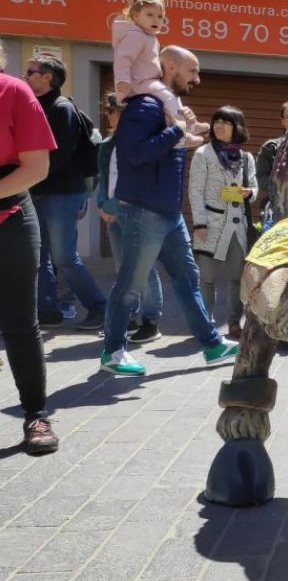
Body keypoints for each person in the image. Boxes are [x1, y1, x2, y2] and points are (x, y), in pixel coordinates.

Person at [100, 45, 239, 376]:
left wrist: (189, 134)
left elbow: (164, 150)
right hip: (144, 212)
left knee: (187, 279)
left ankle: (212, 345)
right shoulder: (145, 106)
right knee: (130, 285)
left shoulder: (167, 106)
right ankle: (113, 352)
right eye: (192, 71)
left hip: (168, 214)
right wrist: (177, 130)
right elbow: (134, 153)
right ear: (170, 67)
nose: (197, 79)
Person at [0, 45, 60, 453]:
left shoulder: (15, 92)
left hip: (10, 217)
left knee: (20, 322)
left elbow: (37, 167)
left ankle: (36, 415)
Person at [24, 56, 110, 331]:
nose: (25, 76)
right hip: (38, 190)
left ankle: (100, 307)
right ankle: (48, 310)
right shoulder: (36, 106)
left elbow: (59, 156)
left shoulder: (62, 109)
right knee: (39, 255)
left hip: (61, 193)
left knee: (64, 257)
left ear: (47, 77)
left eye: (31, 72)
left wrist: (28, 174)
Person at [96, 92, 164, 343]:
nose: (108, 116)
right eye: (107, 111)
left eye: (112, 111)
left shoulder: (143, 143)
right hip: (114, 214)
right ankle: (130, 316)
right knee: (123, 267)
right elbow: (104, 178)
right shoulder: (106, 145)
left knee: (144, 267)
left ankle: (151, 321)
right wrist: (102, 205)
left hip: (138, 212)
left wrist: (114, 205)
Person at [189, 106, 257, 338]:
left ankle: (234, 322)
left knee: (237, 278)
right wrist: (200, 223)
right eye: (216, 121)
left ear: (237, 127)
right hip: (210, 224)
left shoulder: (246, 157)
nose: (219, 126)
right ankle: (205, 323)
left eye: (225, 122)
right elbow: (195, 191)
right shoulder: (203, 154)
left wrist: (249, 192)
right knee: (207, 278)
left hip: (237, 227)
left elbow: (254, 187)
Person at [112, 0, 205, 149]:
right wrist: (122, 80)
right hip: (139, 82)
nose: (156, 20)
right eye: (149, 15)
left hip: (148, 81)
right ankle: (182, 136)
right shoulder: (135, 36)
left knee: (171, 96)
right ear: (135, 16)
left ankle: (189, 125)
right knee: (168, 96)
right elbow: (123, 59)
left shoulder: (150, 38)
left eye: (160, 16)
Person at [255, 100, 288, 209]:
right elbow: (259, 179)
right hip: (277, 207)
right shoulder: (270, 148)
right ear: (282, 121)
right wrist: (282, 182)